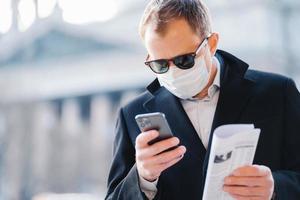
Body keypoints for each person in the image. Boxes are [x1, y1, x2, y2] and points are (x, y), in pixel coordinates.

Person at [105, 0, 300, 199]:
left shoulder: (277, 93)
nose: (173, 73)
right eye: (161, 64)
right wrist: (143, 178)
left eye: (184, 60)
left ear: (212, 44)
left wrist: (276, 188)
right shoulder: (133, 114)